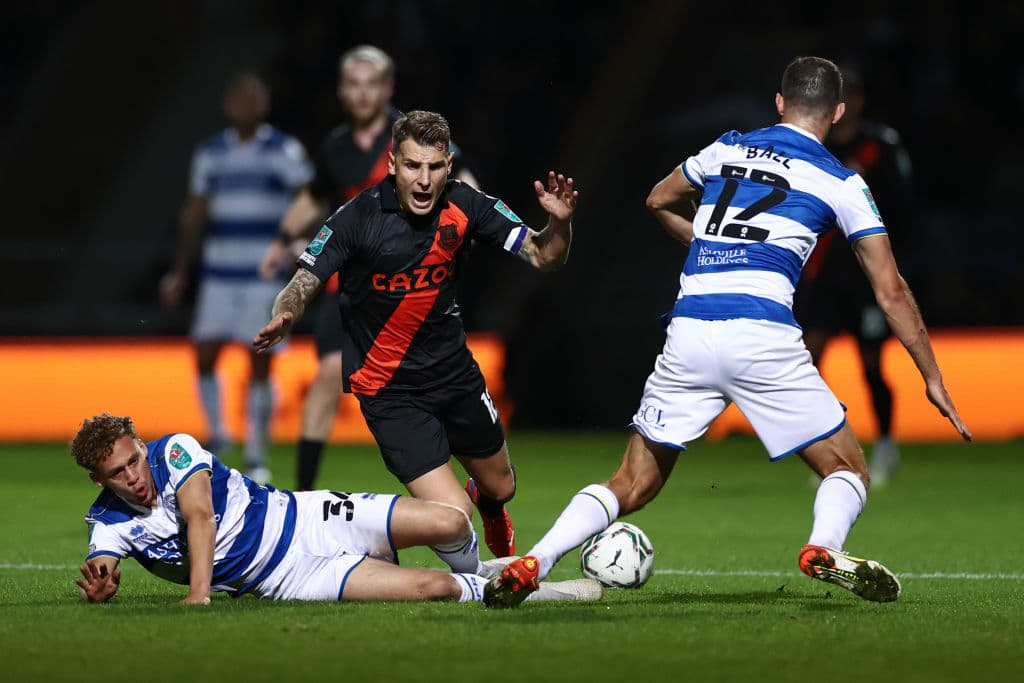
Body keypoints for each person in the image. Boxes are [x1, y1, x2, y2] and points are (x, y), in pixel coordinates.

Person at [483, 56, 970, 609]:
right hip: (762, 333)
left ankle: (537, 558)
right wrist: (932, 377)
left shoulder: (728, 148)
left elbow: (657, 198)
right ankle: (823, 547)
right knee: (846, 467)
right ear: (837, 112)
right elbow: (891, 291)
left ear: (780, 103)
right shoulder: (841, 180)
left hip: (690, 330)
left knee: (632, 483)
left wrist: (710, 243)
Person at [253, 110, 576, 577]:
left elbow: (544, 256)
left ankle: (489, 506)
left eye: (434, 167)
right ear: (392, 164)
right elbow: (303, 281)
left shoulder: (467, 204)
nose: (424, 180)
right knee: (453, 520)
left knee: (502, 487)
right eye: (412, 166)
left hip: (455, 375)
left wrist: (559, 225)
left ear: (449, 166)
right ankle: (476, 581)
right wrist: (285, 313)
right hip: (390, 392)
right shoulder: (356, 217)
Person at [257, 46, 481, 509]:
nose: (362, 94)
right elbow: (313, 198)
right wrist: (282, 239)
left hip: (411, 285)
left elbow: (463, 183)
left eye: (371, 84)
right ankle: (303, 496)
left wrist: (470, 228)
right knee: (325, 376)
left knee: (432, 384)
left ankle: (478, 481)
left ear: (387, 89)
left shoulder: (411, 138)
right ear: (342, 91)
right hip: (349, 287)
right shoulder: (337, 146)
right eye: (353, 84)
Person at [71, 412, 601, 605]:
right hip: (293, 579)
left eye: (134, 460)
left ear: (142, 446)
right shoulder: (109, 522)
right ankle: (543, 593)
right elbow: (101, 565)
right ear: (99, 480)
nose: (134, 477)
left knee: (452, 519)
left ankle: (481, 569)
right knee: (435, 588)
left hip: (307, 516)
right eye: (118, 474)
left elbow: (201, 517)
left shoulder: (175, 451)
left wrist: (198, 594)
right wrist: (98, 587)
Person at [159, 71, 314, 483]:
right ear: (226, 104)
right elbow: (195, 210)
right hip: (218, 275)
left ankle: (257, 454)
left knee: (259, 360)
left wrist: (302, 246)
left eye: (253, 97)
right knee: (205, 354)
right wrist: (180, 269)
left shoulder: (283, 150)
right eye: (239, 97)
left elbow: (308, 199)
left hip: (264, 275)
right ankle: (219, 434)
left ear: (265, 103)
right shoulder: (210, 152)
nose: (245, 104)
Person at [795, 66, 914, 486]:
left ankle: (884, 444)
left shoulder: (881, 147)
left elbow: (901, 209)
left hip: (864, 277)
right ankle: (829, 450)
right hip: (821, 274)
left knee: (871, 365)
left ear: (856, 102)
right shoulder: (813, 147)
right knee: (808, 362)